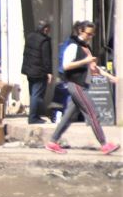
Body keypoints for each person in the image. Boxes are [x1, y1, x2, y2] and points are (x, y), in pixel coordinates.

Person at [45, 21, 119, 155]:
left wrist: (110, 77)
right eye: (88, 34)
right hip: (76, 85)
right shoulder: (73, 46)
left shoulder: (86, 47)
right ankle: (104, 144)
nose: (90, 36)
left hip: (81, 85)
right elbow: (66, 65)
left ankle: (52, 142)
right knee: (92, 114)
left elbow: (93, 67)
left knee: (68, 117)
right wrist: (85, 61)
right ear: (80, 31)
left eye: (92, 34)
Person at [21, 20, 53, 124]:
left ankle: (35, 116)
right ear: (45, 29)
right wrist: (49, 72)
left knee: (33, 93)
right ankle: (33, 117)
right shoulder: (44, 40)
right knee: (37, 95)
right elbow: (46, 58)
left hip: (29, 70)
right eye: (48, 29)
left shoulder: (30, 37)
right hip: (39, 71)